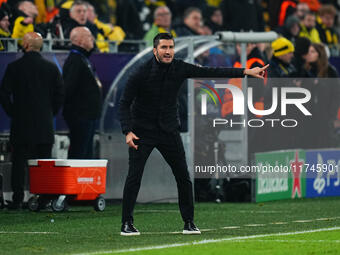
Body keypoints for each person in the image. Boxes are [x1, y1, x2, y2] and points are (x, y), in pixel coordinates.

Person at [119, 33, 268, 236]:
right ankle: (126, 223)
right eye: (163, 47)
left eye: (170, 47)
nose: (168, 51)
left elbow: (210, 71)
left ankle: (189, 222)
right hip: (142, 132)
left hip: (169, 131)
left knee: (183, 177)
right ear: (155, 50)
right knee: (134, 177)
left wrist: (245, 72)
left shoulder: (180, 67)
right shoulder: (140, 73)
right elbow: (124, 103)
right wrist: (127, 132)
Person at [0, 32, 64, 209]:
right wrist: (50, 112)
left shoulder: (14, 67)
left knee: (19, 162)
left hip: (21, 123)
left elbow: (4, 93)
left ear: (25, 45)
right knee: (43, 163)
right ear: (40, 46)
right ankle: (43, 199)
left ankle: (18, 198)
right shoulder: (51, 68)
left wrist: (13, 112)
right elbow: (60, 95)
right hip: (44, 124)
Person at [62, 26, 102, 159]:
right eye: (89, 36)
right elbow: (68, 89)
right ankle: (76, 179)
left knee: (86, 154)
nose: (92, 39)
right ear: (79, 41)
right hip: (80, 116)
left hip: (87, 116)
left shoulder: (83, 59)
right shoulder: (75, 60)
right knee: (79, 154)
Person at [301, 43, 340, 148]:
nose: (309, 54)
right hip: (308, 118)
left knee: (324, 145)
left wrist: (331, 115)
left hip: (325, 118)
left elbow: (336, 95)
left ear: (320, 54)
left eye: (312, 52)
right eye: (309, 51)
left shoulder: (330, 72)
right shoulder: (305, 71)